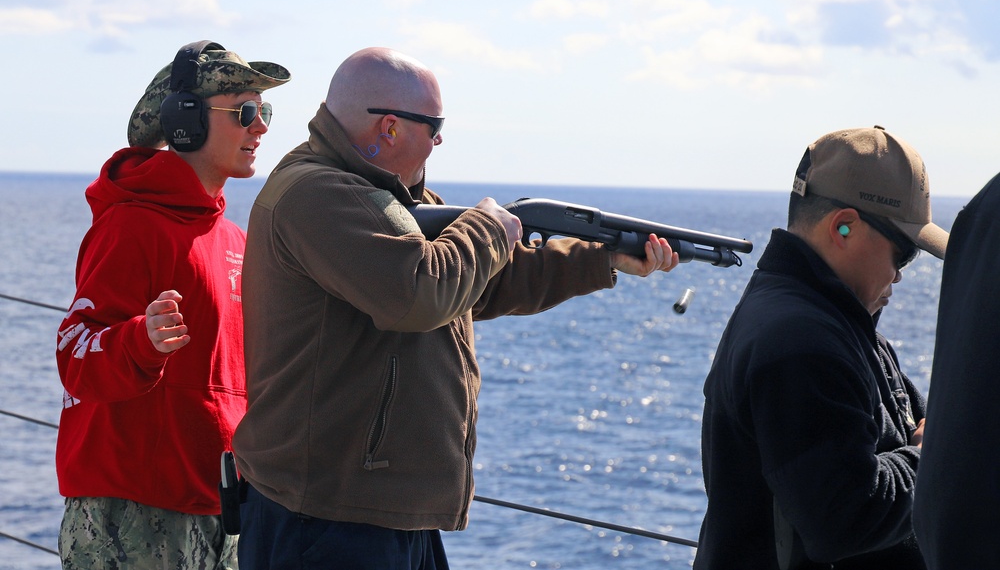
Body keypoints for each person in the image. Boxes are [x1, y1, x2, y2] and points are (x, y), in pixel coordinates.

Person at [231, 46, 680, 570]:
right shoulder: (317, 193)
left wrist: (602, 258)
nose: (440, 139)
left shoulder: (383, 196)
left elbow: (476, 285)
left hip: (380, 512)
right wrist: (490, 226)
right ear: (391, 128)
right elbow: (423, 294)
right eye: (434, 125)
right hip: (330, 520)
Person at [54, 40, 290, 569]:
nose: (261, 127)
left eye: (264, 111)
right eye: (245, 111)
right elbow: (75, 356)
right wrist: (141, 339)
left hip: (220, 512)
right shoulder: (130, 225)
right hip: (131, 516)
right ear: (186, 121)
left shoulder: (234, 240)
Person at [694, 126, 949, 570]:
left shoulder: (834, 321)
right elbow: (843, 516)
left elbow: (918, 427)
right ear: (843, 227)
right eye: (902, 253)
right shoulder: (800, 342)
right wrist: (935, 459)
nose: (901, 275)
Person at [912, 173, 1000, 567]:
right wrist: (918, 453)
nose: (899, 274)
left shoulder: (984, 212)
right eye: (902, 252)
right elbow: (835, 520)